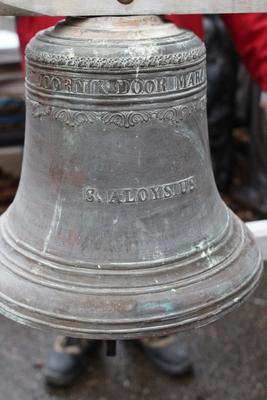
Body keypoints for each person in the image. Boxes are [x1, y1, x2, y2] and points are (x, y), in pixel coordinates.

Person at [16, 13, 267, 387]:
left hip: (161, 80)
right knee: (70, 219)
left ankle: (154, 313)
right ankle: (77, 321)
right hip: (67, 82)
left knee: (158, 223)